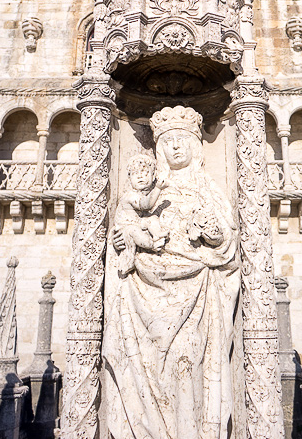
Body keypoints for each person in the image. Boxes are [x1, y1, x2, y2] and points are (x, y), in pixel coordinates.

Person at [104, 106, 239, 439]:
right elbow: (122, 228)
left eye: (182, 140)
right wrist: (124, 240)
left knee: (188, 360)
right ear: (158, 149)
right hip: (143, 289)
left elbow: (228, 245)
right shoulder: (143, 193)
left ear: (195, 146)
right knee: (145, 364)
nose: (176, 147)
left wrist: (211, 233)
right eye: (168, 142)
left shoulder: (209, 191)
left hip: (196, 291)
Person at [114, 153, 170, 276]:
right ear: (129, 178)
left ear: (153, 176)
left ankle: (157, 235)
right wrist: (158, 188)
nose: (141, 177)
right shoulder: (130, 196)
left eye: (145, 173)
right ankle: (152, 245)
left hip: (137, 222)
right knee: (135, 231)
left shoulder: (142, 194)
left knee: (152, 219)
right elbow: (146, 205)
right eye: (135, 174)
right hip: (126, 227)